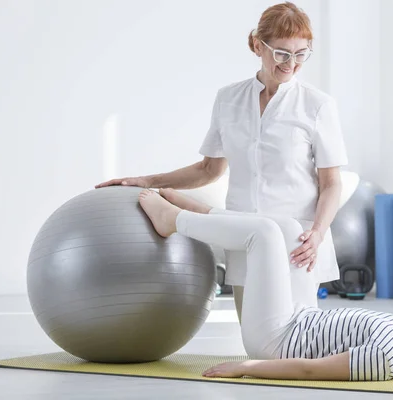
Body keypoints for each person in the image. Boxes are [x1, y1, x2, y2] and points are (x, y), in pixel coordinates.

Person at [95, 2, 348, 319]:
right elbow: (209, 169)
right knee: (253, 342)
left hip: (297, 243)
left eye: (301, 54)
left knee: (295, 340)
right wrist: (147, 181)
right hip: (242, 233)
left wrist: (318, 234)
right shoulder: (229, 99)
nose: (292, 63)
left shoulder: (317, 105)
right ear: (258, 45)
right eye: (282, 53)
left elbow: (331, 183)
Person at [137, 188, 393, 381]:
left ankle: (175, 222)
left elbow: (309, 370)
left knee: (265, 234)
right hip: (301, 317)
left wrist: (246, 366)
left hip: (277, 341)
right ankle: (202, 213)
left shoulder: (387, 360)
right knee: (290, 230)